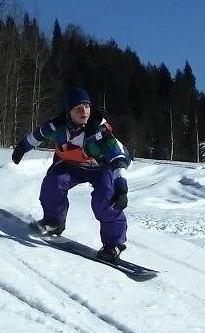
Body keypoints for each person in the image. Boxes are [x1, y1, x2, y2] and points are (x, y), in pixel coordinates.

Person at [11, 86, 132, 261]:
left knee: (106, 199)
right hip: (71, 166)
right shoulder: (57, 125)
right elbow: (38, 134)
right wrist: (23, 146)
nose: (84, 111)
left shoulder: (99, 132)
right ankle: (54, 222)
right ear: (69, 111)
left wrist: (121, 187)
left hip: (100, 169)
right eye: (78, 108)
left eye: (87, 106)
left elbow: (118, 158)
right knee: (54, 181)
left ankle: (113, 244)